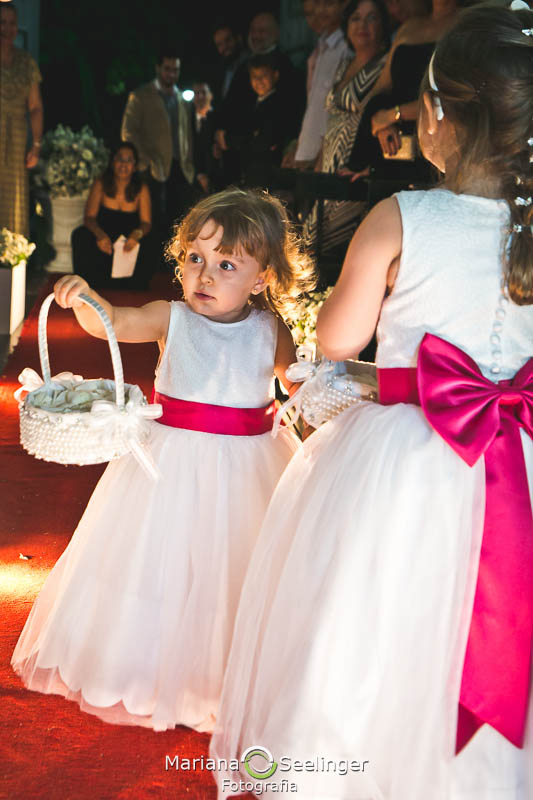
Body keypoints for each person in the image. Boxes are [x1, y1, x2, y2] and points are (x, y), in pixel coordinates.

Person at [210, 5, 533, 798]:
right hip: (514, 457)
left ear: (432, 117)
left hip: (407, 458)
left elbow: (338, 341)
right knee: (482, 621)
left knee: (379, 620)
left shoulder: (401, 215)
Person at [11, 188, 314, 735]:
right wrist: (84, 299)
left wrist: (316, 381)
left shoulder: (272, 330)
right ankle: (147, 665)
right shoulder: (170, 317)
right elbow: (116, 323)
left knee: (235, 569)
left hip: (251, 467)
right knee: (162, 563)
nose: (205, 275)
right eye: (195, 259)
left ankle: (220, 675)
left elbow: (296, 386)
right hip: (169, 463)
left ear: (261, 278)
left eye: (226, 264)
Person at [303, 0, 390, 256]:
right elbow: (331, 120)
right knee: (308, 244)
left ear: (383, 25)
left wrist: (371, 166)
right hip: (328, 169)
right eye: (355, 18)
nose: (362, 25)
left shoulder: (386, 65)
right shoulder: (344, 65)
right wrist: (319, 161)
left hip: (352, 167)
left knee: (329, 247)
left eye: (371, 18)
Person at [343, 0, 458, 183]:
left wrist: (394, 114)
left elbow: (457, 98)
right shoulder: (409, 28)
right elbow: (381, 88)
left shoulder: (471, 24)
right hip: (393, 149)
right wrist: (380, 124)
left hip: (441, 149)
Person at [121, 49, 194, 246]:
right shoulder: (141, 96)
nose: (171, 74)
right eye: (167, 69)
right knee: (154, 220)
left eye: (175, 70)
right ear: (158, 69)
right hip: (153, 168)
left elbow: (188, 133)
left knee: (180, 219)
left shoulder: (182, 98)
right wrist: (144, 160)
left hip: (181, 168)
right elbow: (128, 132)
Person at [71, 142, 152, 290]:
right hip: (105, 237)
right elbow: (89, 218)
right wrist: (100, 235)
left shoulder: (141, 188)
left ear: (134, 166)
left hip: (129, 239)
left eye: (129, 160)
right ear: (112, 162)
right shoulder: (100, 183)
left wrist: (136, 235)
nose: (123, 164)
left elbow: (146, 222)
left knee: (152, 241)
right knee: (79, 235)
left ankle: (133, 285)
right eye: (120, 159)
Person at [284, 0, 351, 170]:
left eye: (329, 3)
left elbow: (334, 111)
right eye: (318, 4)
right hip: (308, 151)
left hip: (324, 155)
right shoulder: (322, 46)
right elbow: (313, 107)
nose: (321, 11)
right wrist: (298, 146)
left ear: (344, 5)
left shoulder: (346, 48)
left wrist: (321, 155)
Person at [0, 1, 43, 237]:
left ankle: (10, 257)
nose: (7, 29)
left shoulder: (26, 62)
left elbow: (35, 106)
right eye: (2, 23)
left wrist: (35, 144)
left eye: (12, 24)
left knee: (14, 199)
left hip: (16, 137)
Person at [191, 81, 216, 196]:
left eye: (203, 92)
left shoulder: (219, 120)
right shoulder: (187, 121)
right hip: (192, 181)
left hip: (216, 179)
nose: (200, 96)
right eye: (196, 93)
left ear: (211, 95)